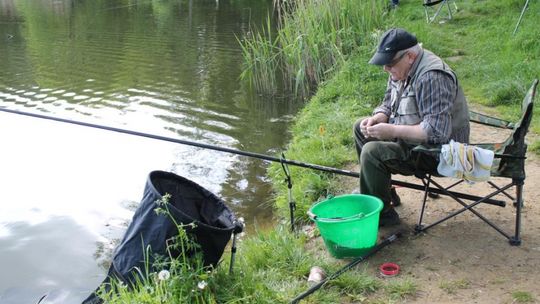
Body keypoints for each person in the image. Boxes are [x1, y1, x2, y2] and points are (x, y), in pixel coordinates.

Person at [353, 28, 470, 226]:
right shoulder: (401, 68)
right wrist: (379, 117)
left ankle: (383, 217)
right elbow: (388, 102)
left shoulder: (431, 77)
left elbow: (436, 132)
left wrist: (391, 130)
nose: (386, 69)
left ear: (410, 56)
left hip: (439, 153)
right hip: (414, 141)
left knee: (372, 151)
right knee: (360, 128)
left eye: (389, 63)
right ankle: (382, 193)